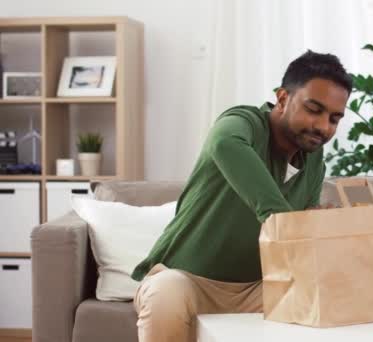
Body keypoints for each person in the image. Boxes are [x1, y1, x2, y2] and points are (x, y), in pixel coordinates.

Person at [130, 50, 352, 342]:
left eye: (334, 118)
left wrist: (318, 226)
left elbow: (295, 237)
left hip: (257, 289)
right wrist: (279, 217)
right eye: (313, 109)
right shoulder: (243, 123)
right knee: (165, 293)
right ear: (283, 98)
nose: (324, 127)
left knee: (327, 296)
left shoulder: (314, 161)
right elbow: (225, 143)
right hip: (186, 280)